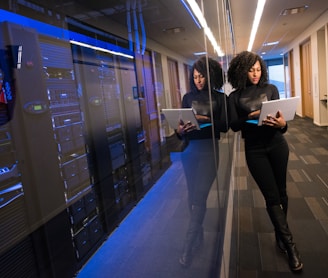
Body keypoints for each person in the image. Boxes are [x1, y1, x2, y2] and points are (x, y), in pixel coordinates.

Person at [227, 51, 303, 272]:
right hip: (255, 150)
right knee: (271, 196)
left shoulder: (271, 89)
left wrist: (282, 124)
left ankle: (280, 235)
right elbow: (233, 125)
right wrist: (250, 117)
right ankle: (291, 247)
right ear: (242, 71)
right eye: (251, 70)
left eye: (258, 69)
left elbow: (283, 123)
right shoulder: (234, 96)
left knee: (282, 192)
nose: (255, 74)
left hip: (277, 144)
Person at [175, 56, 228, 267]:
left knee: (199, 196)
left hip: (209, 151)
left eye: (201, 76)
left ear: (209, 76)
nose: (198, 80)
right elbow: (181, 132)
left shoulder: (219, 97)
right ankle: (198, 235)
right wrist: (180, 131)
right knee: (192, 197)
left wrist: (207, 120)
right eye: (195, 77)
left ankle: (188, 246)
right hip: (190, 151)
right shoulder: (187, 98)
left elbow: (225, 127)